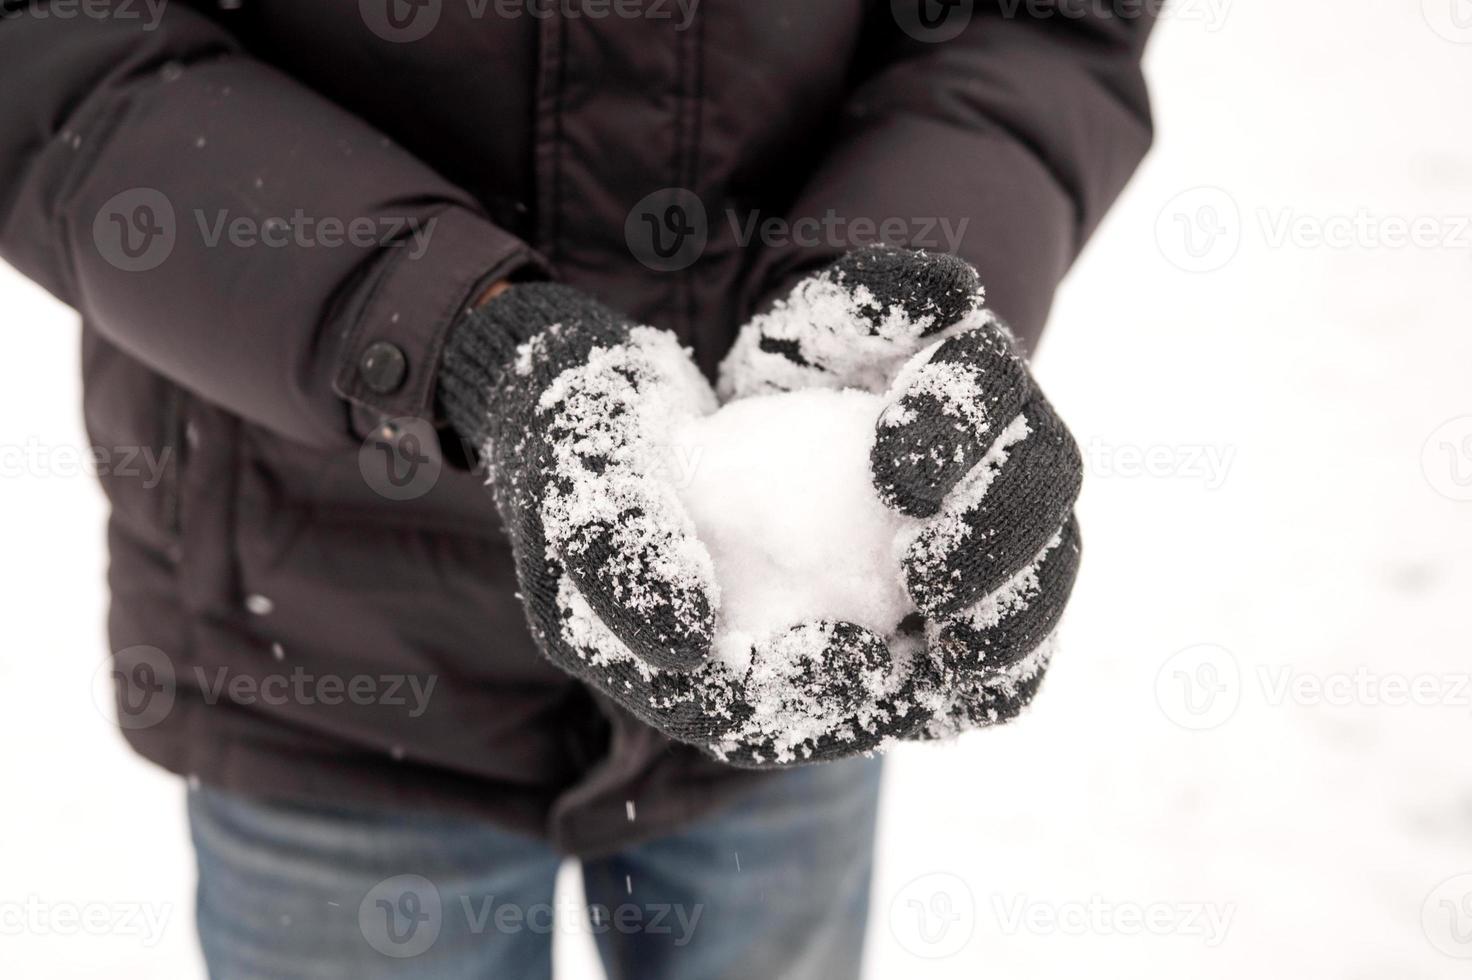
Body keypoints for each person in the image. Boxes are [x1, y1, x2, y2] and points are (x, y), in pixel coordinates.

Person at [0, 2, 1154, 976]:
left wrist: (886, 311)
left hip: (786, 682)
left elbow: (1043, 19)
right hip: (322, 647)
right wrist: (459, 338)